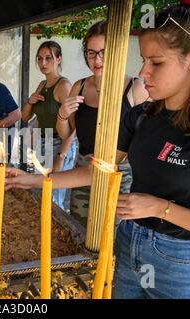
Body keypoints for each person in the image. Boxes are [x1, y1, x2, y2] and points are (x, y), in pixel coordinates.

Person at [5, 0, 190, 299]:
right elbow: (99, 170)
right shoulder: (142, 116)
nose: (144, 72)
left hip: (180, 264)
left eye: (156, 62)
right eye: (143, 59)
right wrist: (32, 180)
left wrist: (160, 208)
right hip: (126, 245)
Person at [56, 21, 149, 225]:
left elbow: (150, 137)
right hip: (83, 168)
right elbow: (67, 134)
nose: (97, 59)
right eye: (91, 53)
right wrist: (62, 114)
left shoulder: (136, 88)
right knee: (80, 232)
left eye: (103, 52)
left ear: (116, 52)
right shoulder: (79, 87)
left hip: (120, 174)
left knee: (113, 238)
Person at [21, 41, 76, 212]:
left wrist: (61, 157)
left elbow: (73, 128)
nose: (43, 63)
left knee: (54, 198)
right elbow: (25, 116)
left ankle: (54, 235)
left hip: (60, 144)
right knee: (42, 193)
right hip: (42, 143)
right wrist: (30, 102)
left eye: (48, 58)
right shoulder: (42, 85)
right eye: (39, 59)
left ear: (58, 59)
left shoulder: (64, 86)